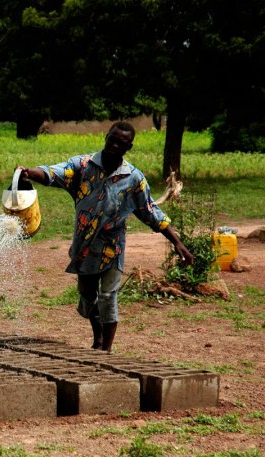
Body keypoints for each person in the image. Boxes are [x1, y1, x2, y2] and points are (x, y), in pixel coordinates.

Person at [17, 121, 194, 352]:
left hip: (113, 246)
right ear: (106, 137)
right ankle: (98, 338)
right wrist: (28, 172)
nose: (115, 145)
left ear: (128, 147)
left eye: (121, 143)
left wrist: (177, 242)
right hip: (85, 246)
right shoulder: (83, 166)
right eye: (112, 139)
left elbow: (150, 212)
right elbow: (54, 173)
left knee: (108, 296)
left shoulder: (133, 179)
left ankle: (106, 350)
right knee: (88, 296)